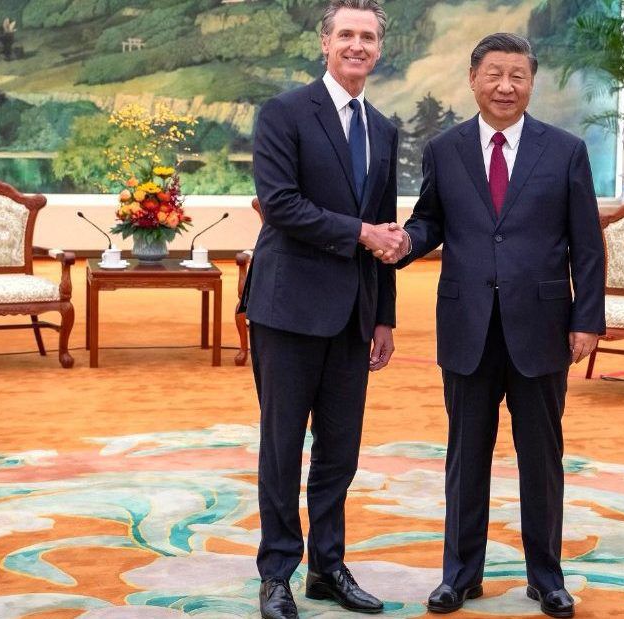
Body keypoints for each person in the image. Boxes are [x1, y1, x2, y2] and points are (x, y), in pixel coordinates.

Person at [389, 33, 604, 619]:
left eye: (517, 75)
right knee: (466, 457)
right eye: (494, 74)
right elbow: (429, 219)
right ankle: (460, 576)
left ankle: (547, 577)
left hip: (542, 330)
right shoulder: (445, 149)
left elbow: (587, 245)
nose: (506, 86)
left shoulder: (565, 151)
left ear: (531, 82)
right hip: (467, 326)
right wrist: (404, 241)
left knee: (542, 458)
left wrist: (587, 318)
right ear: (473, 79)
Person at [244, 1, 407, 617]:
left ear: (379, 48)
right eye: (347, 35)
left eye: (368, 37)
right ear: (325, 43)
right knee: (283, 447)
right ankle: (276, 572)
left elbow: (385, 228)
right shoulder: (283, 113)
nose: (357, 45)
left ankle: (327, 568)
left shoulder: (385, 129)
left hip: (354, 316)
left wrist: (384, 314)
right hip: (287, 309)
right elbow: (280, 204)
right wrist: (363, 234)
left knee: (340, 451)